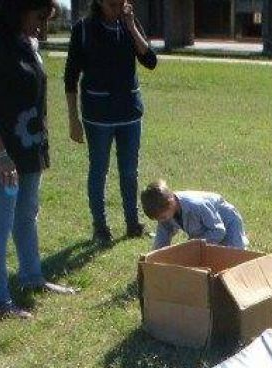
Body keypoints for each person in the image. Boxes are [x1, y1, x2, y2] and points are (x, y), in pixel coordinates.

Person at [0, 0, 76, 319]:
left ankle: (32, 277)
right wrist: (0, 155)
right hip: (0, 151)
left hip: (29, 147)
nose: (42, 27)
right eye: (39, 17)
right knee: (0, 220)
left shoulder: (25, 40)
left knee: (27, 214)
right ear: (19, 8)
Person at [64, 0, 158, 245]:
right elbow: (70, 78)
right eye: (111, 3)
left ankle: (132, 223)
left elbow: (150, 61)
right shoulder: (83, 29)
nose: (117, 5)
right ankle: (101, 228)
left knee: (129, 172)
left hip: (129, 112)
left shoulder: (129, 23)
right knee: (99, 171)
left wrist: (131, 27)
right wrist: (73, 119)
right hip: (98, 116)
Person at [140, 180, 249, 250]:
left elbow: (218, 231)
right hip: (205, 231)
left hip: (228, 223)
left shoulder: (196, 205)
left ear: (171, 202)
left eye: (163, 217)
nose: (162, 221)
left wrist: (193, 244)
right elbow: (162, 237)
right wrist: (155, 259)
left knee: (236, 259)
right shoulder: (166, 211)